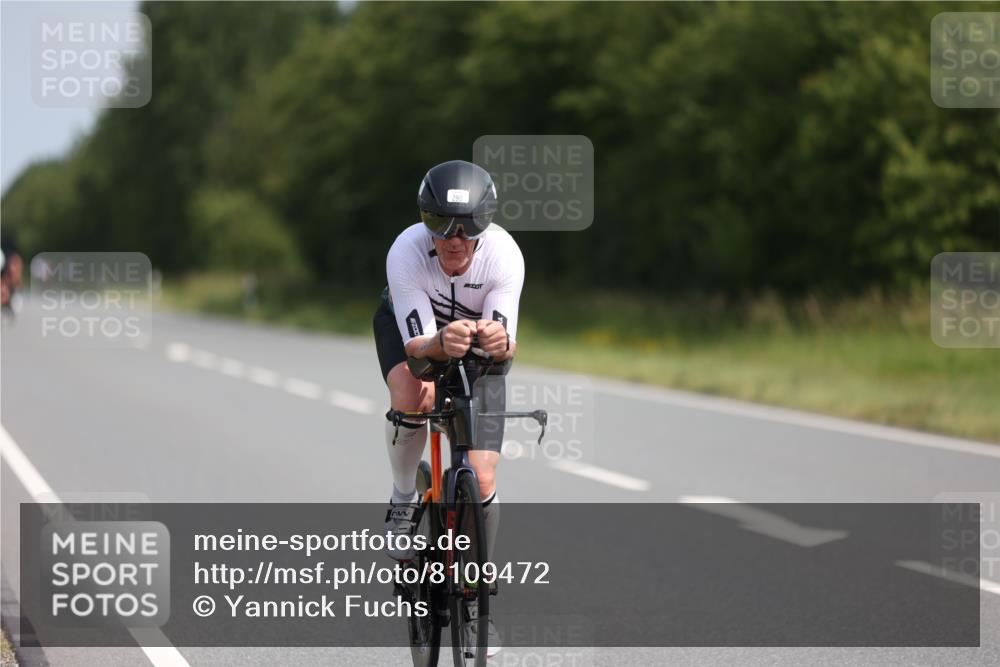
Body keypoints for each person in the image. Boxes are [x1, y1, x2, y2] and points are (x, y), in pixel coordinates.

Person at [373, 160, 523, 656]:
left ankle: (480, 600)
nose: (454, 240)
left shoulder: (504, 255)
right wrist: (440, 339)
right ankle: (401, 497)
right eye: (441, 226)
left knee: (480, 478)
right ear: (425, 223)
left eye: (467, 228)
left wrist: (499, 341)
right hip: (415, 334)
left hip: (475, 347)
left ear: (485, 228)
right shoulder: (406, 252)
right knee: (413, 397)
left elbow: (506, 348)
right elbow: (417, 351)